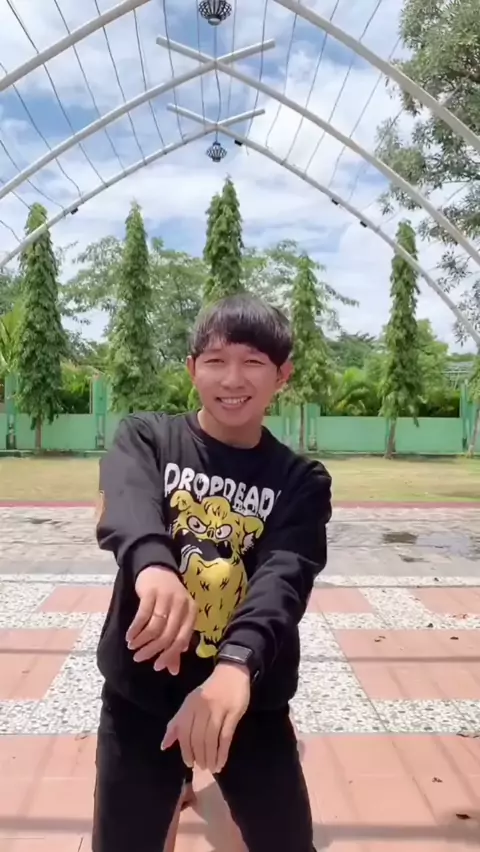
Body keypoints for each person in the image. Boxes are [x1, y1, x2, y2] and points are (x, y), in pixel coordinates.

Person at [92, 293, 332, 852]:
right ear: (192, 369)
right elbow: (127, 503)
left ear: (282, 376)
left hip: (246, 700)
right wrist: (154, 567)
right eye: (216, 361)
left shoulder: (300, 480)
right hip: (141, 697)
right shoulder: (148, 438)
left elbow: (283, 579)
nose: (232, 379)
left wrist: (237, 664)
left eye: (253, 362)